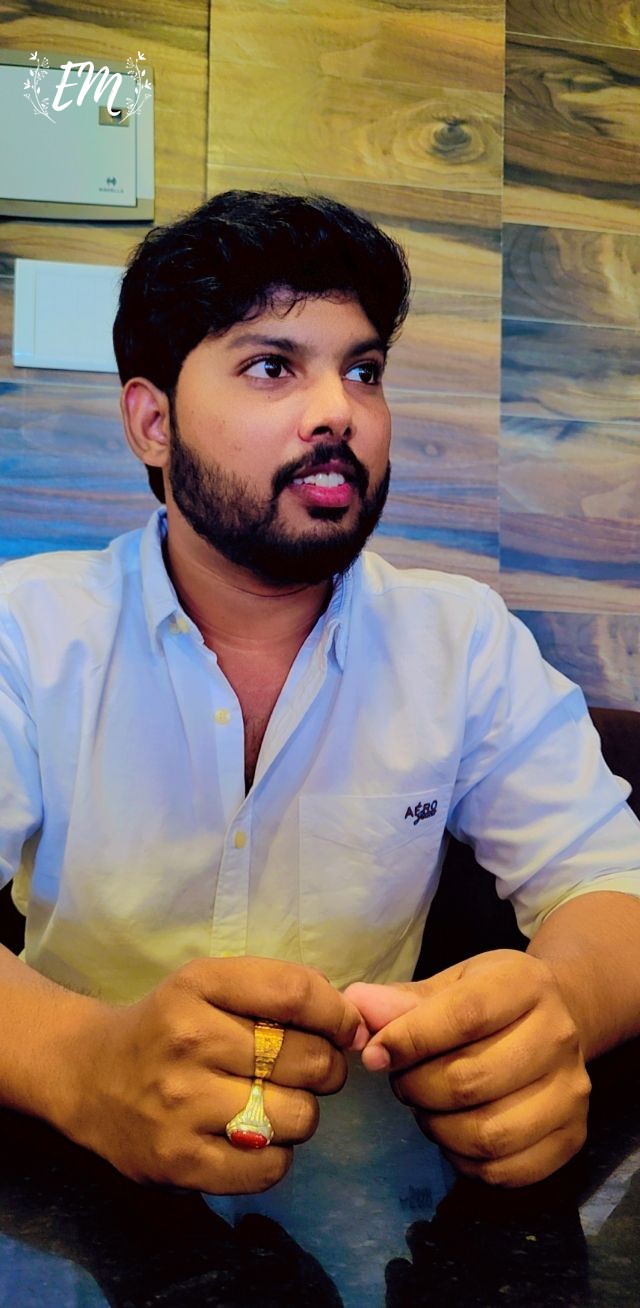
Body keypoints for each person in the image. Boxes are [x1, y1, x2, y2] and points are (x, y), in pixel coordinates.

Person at [1, 192, 639, 1197]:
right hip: (67, 1185)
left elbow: (613, 883)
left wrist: (558, 1008)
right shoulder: (26, 631)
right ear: (153, 422)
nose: (339, 410)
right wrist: (81, 1064)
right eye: (272, 365)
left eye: (363, 370)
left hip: (369, 1197)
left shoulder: (460, 639)